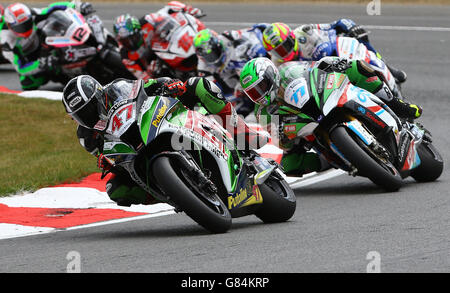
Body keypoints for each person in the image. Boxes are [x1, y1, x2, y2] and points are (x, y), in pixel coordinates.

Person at [62, 75, 268, 206]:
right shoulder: (86, 136)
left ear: (99, 96)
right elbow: (104, 157)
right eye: (81, 115)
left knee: (199, 85)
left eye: (89, 109)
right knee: (116, 190)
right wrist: (105, 162)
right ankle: (176, 195)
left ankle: (243, 135)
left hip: (154, 120)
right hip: (134, 154)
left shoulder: (116, 88)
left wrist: (169, 84)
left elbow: (148, 85)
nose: (88, 117)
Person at [239, 56, 422, 177]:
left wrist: (334, 64)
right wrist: (283, 137)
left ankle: (397, 105)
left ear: (271, 75)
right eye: (253, 93)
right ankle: (332, 160)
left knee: (358, 67)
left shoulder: (288, 70)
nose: (259, 94)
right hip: (305, 127)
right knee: (289, 165)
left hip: (321, 100)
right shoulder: (261, 112)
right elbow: (281, 143)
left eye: (261, 87)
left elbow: (313, 67)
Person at [262, 21, 407, 83]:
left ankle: (386, 68)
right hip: (321, 80)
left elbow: (339, 23)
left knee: (360, 38)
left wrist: (352, 28)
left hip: (339, 55)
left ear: (292, 37)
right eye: (277, 52)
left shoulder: (306, 31)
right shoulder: (277, 64)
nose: (283, 53)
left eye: (285, 46)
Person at [0, 1, 94, 90]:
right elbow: (21, 68)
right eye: (20, 27)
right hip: (32, 58)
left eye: (27, 24)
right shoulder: (6, 41)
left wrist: (74, 5)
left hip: (44, 43)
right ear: (10, 26)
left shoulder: (31, 14)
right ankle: (64, 77)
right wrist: (40, 64)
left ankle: (82, 44)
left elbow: (52, 8)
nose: (25, 29)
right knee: (28, 83)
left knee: (56, 21)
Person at [112, 2, 205, 81]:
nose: (131, 43)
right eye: (126, 41)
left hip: (164, 45)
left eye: (133, 38)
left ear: (139, 30)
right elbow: (141, 77)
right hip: (152, 64)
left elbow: (167, 9)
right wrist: (150, 73)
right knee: (163, 77)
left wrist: (187, 9)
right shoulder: (126, 56)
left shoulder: (146, 21)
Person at [193, 25, 268, 116]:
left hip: (248, 67)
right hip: (230, 81)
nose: (214, 58)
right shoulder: (203, 68)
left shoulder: (229, 37)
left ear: (219, 44)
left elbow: (252, 34)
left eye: (215, 52)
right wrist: (234, 94)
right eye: (209, 56)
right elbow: (211, 94)